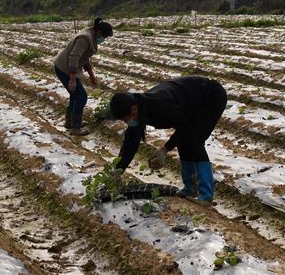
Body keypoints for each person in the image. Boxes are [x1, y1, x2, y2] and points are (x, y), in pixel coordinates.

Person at [109, 76, 228, 204]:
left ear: (134, 108)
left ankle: (206, 195)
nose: (127, 122)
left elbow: (184, 128)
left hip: (210, 96)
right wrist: (118, 171)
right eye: (123, 120)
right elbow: (130, 144)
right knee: (183, 141)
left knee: (194, 141)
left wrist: (164, 150)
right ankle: (190, 188)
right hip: (190, 104)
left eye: (126, 118)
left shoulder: (160, 104)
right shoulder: (138, 112)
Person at [53, 17, 113, 136]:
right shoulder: (85, 38)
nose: (104, 40)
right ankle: (76, 128)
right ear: (99, 32)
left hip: (67, 68)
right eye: (104, 37)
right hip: (64, 68)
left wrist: (91, 76)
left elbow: (84, 58)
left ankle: (70, 122)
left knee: (75, 95)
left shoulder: (91, 35)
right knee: (81, 97)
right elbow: (74, 57)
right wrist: (72, 79)